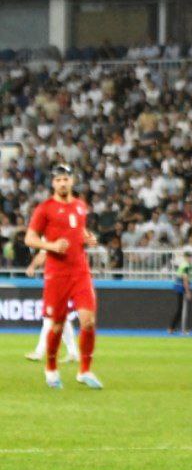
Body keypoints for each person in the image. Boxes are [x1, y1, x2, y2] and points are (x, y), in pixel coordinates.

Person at [24, 164, 102, 390]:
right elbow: (30, 238)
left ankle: (84, 371)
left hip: (80, 272)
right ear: (53, 183)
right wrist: (51, 246)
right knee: (57, 325)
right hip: (57, 274)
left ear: (72, 181)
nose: (62, 183)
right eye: (58, 180)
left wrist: (88, 238)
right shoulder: (44, 209)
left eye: (66, 179)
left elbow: (79, 230)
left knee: (88, 320)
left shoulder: (80, 206)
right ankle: (51, 369)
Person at [23, 251, 80, 364]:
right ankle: (73, 352)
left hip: (57, 280)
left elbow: (43, 254)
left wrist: (32, 266)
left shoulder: (52, 240)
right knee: (61, 318)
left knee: (49, 317)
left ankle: (39, 352)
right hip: (62, 278)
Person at [168, 251, 192, 335]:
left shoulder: (183, 265)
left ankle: (172, 328)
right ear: (185, 257)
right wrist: (188, 291)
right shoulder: (186, 266)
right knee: (182, 310)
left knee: (180, 309)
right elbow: (185, 279)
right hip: (181, 289)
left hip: (179, 288)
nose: (190, 259)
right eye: (189, 257)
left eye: (190, 257)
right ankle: (180, 329)